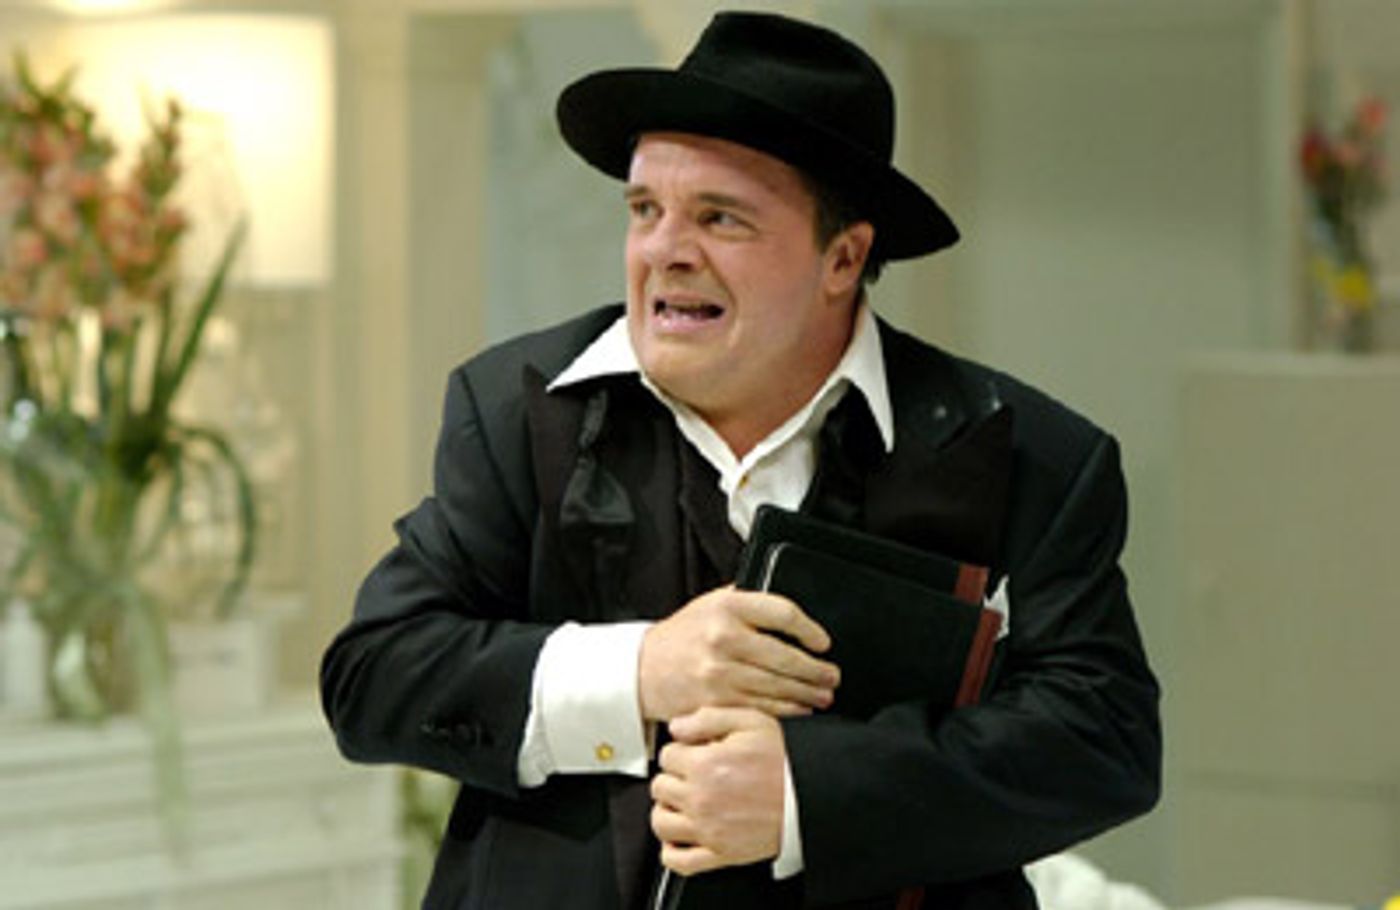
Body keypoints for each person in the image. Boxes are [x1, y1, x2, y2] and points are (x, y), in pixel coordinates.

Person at [319, 11, 1161, 910]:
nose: (665, 252)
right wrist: (642, 671)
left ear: (844, 257)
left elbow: (1103, 739)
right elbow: (375, 675)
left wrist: (806, 796)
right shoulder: (516, 411)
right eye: (646, 210)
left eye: (720, 218)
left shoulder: (1027, 454)